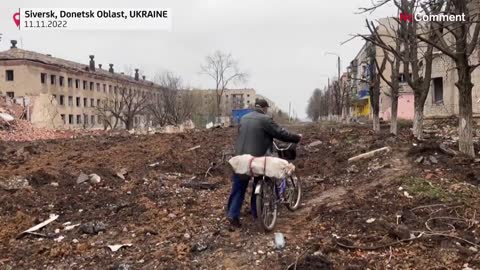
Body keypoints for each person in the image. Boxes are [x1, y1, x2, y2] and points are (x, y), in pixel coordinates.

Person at [226, 98, 302, 228]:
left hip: (240, 157)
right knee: (263, 179)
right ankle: (258, 213)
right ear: (265, 108)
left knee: (239, 185)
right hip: (257, 159)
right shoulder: (265, 119)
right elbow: (280, 133)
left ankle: (232, 215)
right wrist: (296, 137)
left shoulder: (243, 118)